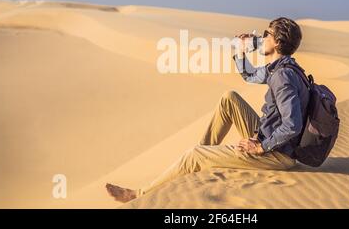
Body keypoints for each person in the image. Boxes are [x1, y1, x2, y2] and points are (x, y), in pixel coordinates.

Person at [106, 17, 310, 203]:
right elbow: (249, 75)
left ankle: (138, 194)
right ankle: (201, 157)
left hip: (277, 154)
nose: (261, 37)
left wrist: (261, 147)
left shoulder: (282, 76)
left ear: (278, 42)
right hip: (270, 137)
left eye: (266, 34)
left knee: (194, 154)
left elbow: (292, 124)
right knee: (229, 98)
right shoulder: (282, 67)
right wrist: (240, 51)